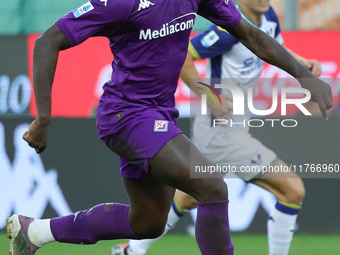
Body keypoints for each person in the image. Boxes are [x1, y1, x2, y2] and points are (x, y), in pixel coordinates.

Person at [7, 0, 332, 255]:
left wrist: (304, 77)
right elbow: (47, 41)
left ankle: (35, 232)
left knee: (147, 222)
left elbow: (249, 35)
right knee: (212, 188)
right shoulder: (121, 3)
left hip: (158, 113)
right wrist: (44, 117)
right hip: (126, 115)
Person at [112, 1, 326, 255]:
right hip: (220, 131)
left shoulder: (268, 17)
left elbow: (273, 44)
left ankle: (131, 251)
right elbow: (184, 57)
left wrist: (302, 64)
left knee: (188, 197)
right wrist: (210, 96)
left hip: (230, 129)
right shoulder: (227, 30)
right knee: (292, 190)